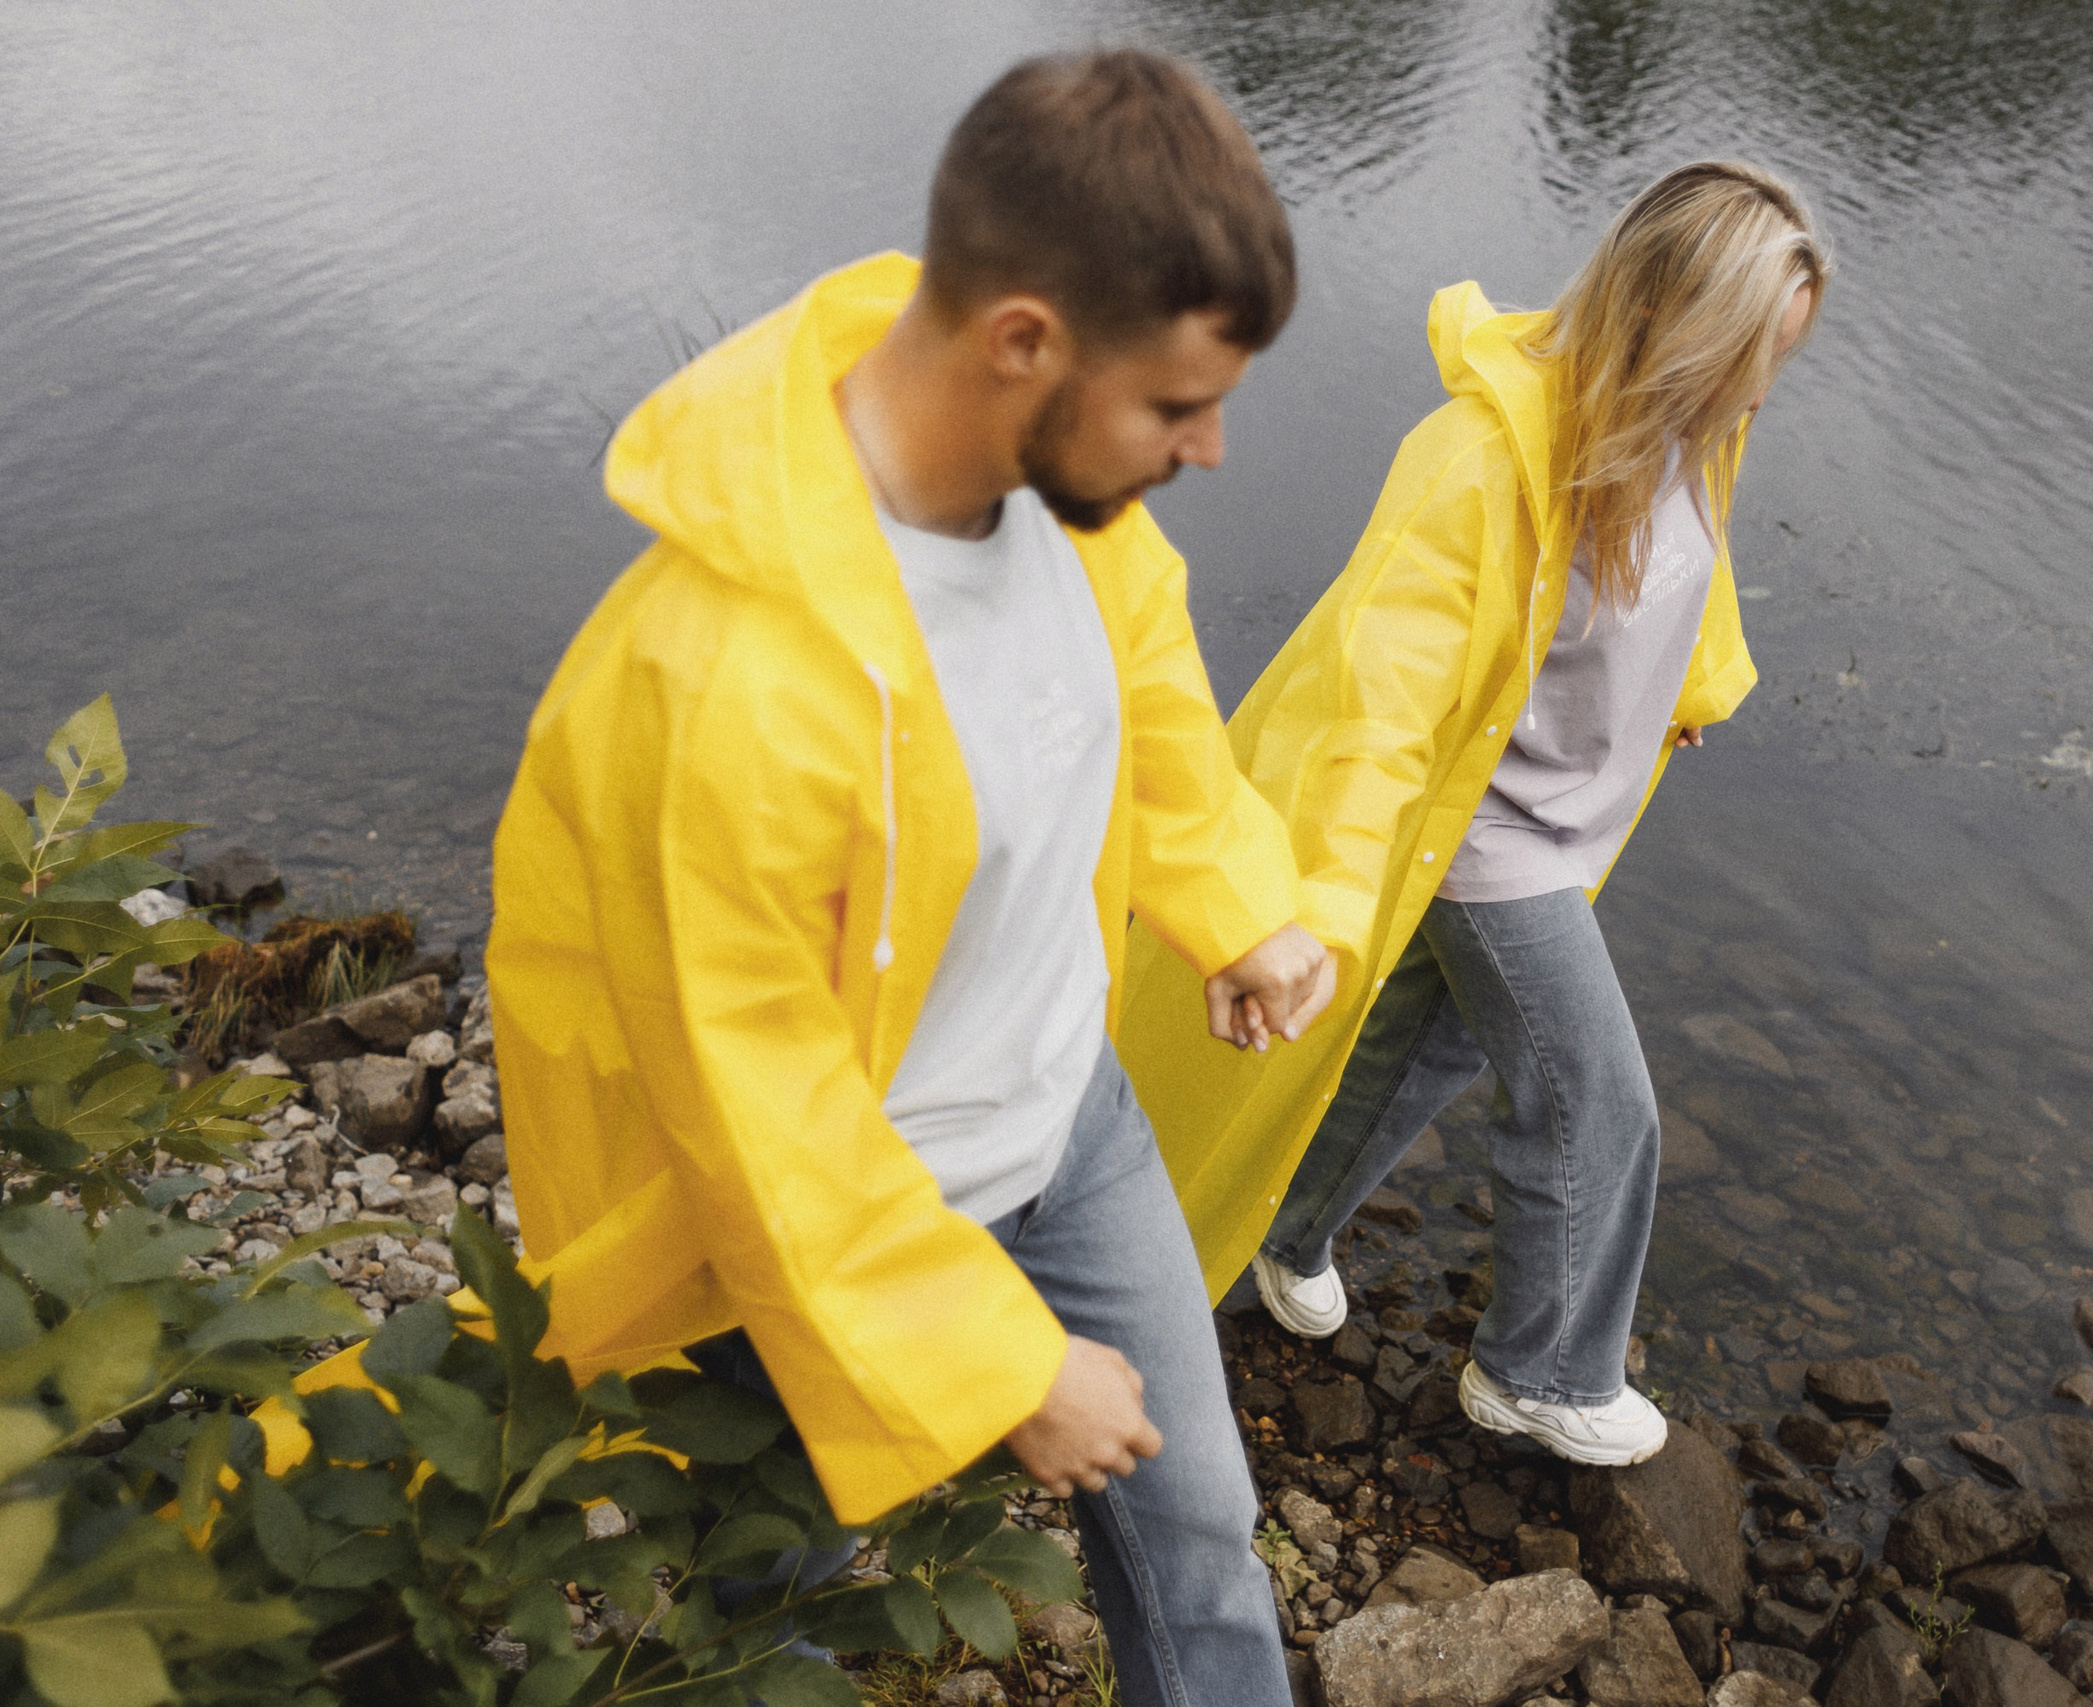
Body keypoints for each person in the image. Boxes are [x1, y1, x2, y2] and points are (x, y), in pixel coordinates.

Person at [483, 51, 1334, 1705]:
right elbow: (753, 1099)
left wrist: (1243, 905)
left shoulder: (1067, 494)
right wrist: (1003, 1367)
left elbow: (1147, 692)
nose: (1213, 448)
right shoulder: (720, 678)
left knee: (1201, 1534)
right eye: (1177, 404)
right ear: (1024, 341)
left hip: (1070, 1122)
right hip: (810, 1220)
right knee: (765, 1621)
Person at [1118, 162, 1828, 1466]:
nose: (1763, 394)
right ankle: (1540, 1370)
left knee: (1420, 1050)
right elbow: (1375, 704)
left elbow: (1693, 567)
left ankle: (1286, 1237)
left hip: (1569, 819)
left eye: (1775, 362)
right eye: (1749, 359)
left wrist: (1703, 683)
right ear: (1672, 321)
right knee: (1594, 1095)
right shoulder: (1483, 460)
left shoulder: (1694, 425)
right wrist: (1326, 909)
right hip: (1483, 835)